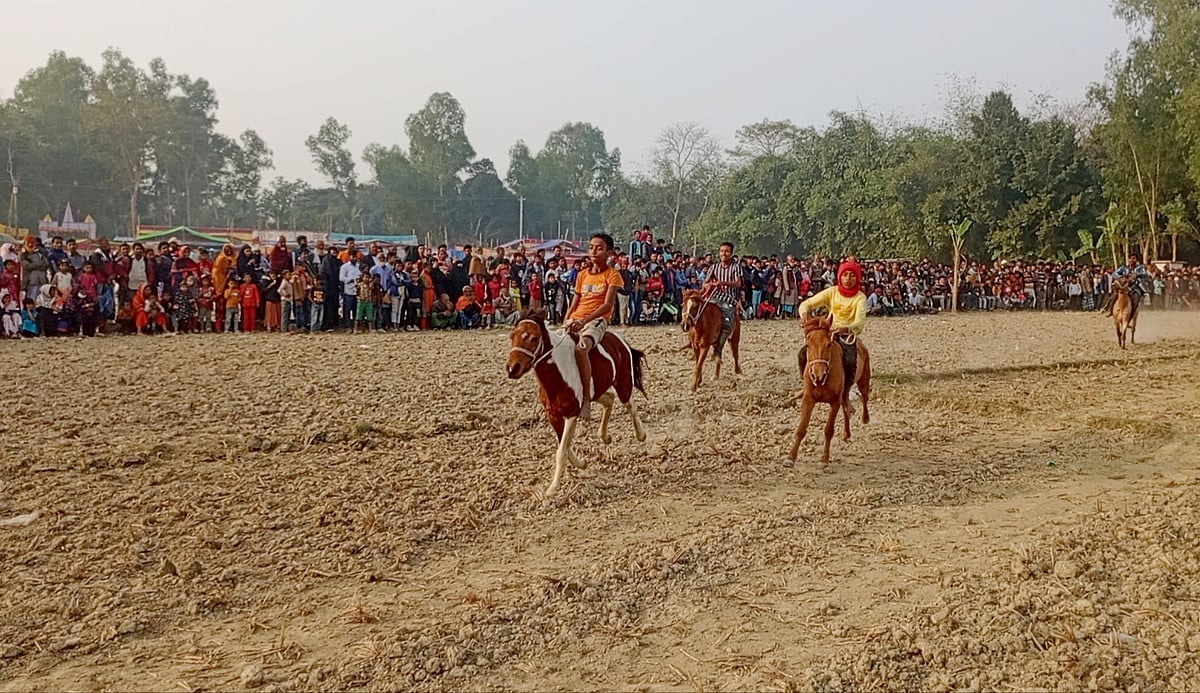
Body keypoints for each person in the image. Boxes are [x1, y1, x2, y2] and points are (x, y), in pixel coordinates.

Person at [562, 233, 623, 419]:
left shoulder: (613, 275)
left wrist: (584, 321)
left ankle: (586, 400)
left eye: (599, 248)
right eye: (591, 247)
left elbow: (607, 305)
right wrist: (566, 320)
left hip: (596, 321)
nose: (594, 251)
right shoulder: (581, 275)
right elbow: (575, 301)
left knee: (581, 350)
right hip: (575, 319)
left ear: (609, 253)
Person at [798, 256, 867, 408]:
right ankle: (807, 385)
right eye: (845, 275)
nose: (848, 279)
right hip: (828, 333)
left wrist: (845, 328)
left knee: (849, 360)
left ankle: (845, 392)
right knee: (803, 354)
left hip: (846, 336)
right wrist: (804, 315)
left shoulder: (860, 298)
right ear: (839, 276)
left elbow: (859, 323)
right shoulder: (832, 292)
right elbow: (806, 304)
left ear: (858, 278)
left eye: (852, 275)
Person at [702, 241, 742, 360]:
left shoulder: (736, 267)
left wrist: (723, 283)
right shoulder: (714, 267)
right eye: (721, 251)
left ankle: (718, 349)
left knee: (728, 322)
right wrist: (709, 285)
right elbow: (705, 282)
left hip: (728, 300)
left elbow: (738, 283)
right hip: (713, 298)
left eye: (726, 251)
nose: (723, 254)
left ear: (731, 253)